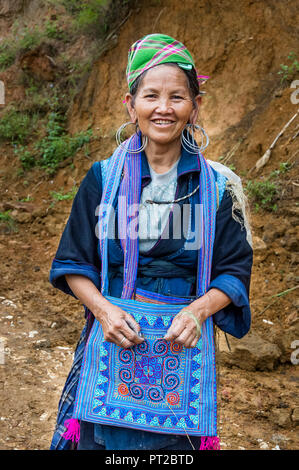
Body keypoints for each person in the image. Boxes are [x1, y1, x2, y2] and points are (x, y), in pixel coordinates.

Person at [49, 34, 253, 451]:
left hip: (183, 353)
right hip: (111, 344)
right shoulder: (104, 180)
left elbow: (233, 270)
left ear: (196, 106)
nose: (164, 108)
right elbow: (74, 263)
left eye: (177, 97)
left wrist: (198, 312)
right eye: (151, 96)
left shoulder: (218, 187)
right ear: (131, 104)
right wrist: (105, 313)